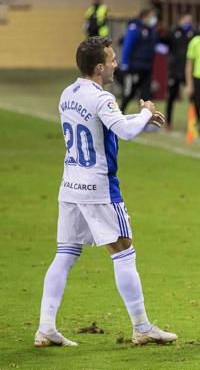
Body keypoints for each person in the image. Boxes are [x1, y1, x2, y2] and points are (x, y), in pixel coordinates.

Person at [35, 36, 177, 347]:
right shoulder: (104, 98)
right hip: (99, 187)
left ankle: (45, 327)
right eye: (111, 60)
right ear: (99, 67)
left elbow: (100, 125)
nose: (115, 64)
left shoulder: (68, 93)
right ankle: (142, 327)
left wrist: (139, 119)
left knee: (65, 254)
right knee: (124, 250)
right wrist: (144, 111)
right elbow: (122, 132)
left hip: (70, 185)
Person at [120, 9, 158, 112]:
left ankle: (145, 118)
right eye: (151, 16)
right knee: (130, 93)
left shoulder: (152, 30)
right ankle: (120, 113)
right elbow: (127, 46)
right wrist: (125, 64)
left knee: (146, 94)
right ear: (144, 17)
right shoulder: (134, 28)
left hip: (147, 67)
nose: (154, 19)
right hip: (135, 67)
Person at [162, 13, 195, 130]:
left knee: (193, 97)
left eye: (190, 20)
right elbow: (163, 39)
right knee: (171, 97)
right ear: (181, 20)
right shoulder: (174, 33)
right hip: (175, 70)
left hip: (187, 71)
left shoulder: (193, 34)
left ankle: (195, 124)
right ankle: (168, 122)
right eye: (186, 20)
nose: (188, 23)